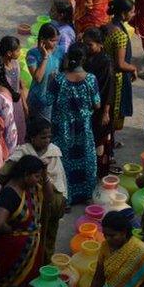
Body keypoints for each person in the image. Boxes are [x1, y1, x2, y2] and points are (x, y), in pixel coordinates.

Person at [0, 117, 68, 264]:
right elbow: (2, 175)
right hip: (30, 205)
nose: (47, 140)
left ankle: (46, 263)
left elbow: (60, 181)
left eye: (49, 136)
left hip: (50, 203)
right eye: (43, 137)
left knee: (49, 234)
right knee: (31, 236)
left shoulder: (54, 153)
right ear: (32, 137)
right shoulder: (22, 152)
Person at [47, 43, 100, 204]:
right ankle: (85, 195)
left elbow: (48, 100)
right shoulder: (90, 79)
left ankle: (66, 198)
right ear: (83, 59)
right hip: (82, 128)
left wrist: (50, 80)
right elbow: (97, 104)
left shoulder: (59, 80)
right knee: (85, 159)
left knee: (64, 162)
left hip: (62, 129)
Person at [0, 155, 46, 287]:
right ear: (26, 175)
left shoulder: (30, 188)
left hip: (29, 247)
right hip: (13, 250)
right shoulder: (10, 194)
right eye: (37, 176)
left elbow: (49, 198)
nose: (39, 180)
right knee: (13, 285)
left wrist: (46, 177)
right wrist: (10, 230)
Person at [88, 211, 144, 287]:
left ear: (124, 232)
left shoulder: (141, 252)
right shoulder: (105, 247)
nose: (107, 239)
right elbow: (98, 278)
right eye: (105, 235)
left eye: (112, 235)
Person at [82, 28, 116, 176]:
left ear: (100, 44)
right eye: (85, 44)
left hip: (102, 107)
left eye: (90, 45)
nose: (87, 47)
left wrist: (106, 112)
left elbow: (109, 89)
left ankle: (101, 173)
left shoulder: (106, 62)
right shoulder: (88, 58)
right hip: (90, 106)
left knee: (101, 140)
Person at [103, 0, 136, 133]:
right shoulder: (120, 35)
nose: (133, 14)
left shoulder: (108, 26)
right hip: (117, 79)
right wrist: (133, 68)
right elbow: (120, 64)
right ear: (123, 13)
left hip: (106, 73)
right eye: (132, 12)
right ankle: (109, 139)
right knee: (114, 111)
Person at [0, 36, 29, 145]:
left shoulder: (16, 64)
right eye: (18, 50)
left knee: (19, 126)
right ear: (9, 53)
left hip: (17, 103)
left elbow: (20, 85)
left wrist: (24, 104)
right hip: (5, 105)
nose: (20, 52)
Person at [26, 23, 63, 120]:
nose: (55, 44)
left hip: (53, 99)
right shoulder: (32, 55)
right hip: (38, 100)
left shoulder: (60, 51)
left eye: (56, 41)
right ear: (42, 40)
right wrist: (45, 57)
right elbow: (38, 78)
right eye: (52, 40)